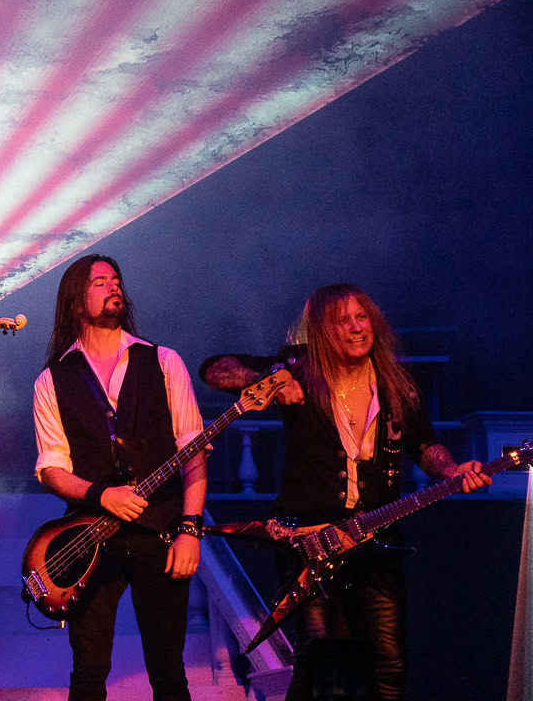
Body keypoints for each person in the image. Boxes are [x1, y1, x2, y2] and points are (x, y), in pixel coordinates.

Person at [200, 282, 490, 701]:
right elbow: (214, 369)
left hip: (376, 537)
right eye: (343, 320)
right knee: (325, 662)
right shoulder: (299, 368)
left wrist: (452, 469)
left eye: (362, 317)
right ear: (323, 331)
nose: (356, 327)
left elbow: (425, 444)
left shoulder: (397, 385)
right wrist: (269, 380)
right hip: (311, 539)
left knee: (390, 661)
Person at [33, 254, 207, 701]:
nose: (113, 286)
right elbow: (52, 469)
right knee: (88, 673)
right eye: (99, 282)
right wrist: (100, 494)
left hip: (162, 532)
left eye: (115, 280)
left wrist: (190, 529)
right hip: (89, 538)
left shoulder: (164, 361)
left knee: (168, 672)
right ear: (76, 302)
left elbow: (192, 453)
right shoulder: (52, 380)